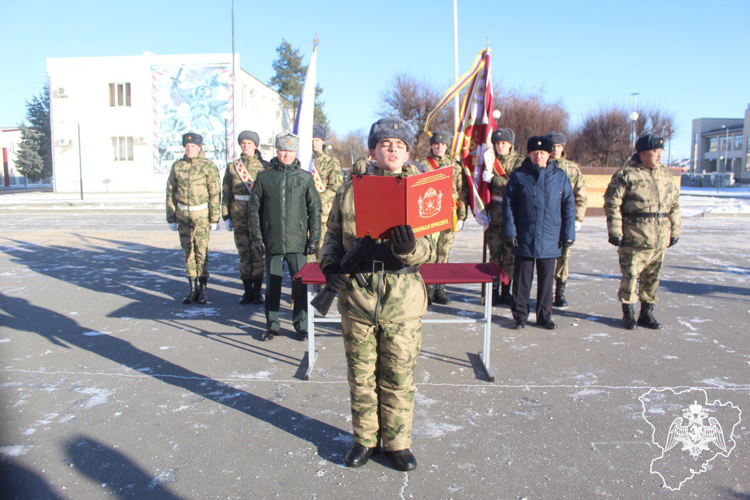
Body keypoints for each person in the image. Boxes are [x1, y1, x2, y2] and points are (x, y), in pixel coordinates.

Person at [319, 117, 433, 472]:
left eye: (399, 144)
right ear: (373, 151)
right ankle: (365, 440)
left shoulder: (420, 188)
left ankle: (398, 443)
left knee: (399, 378)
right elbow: (333, 237)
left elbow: (429, 249)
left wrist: (409, 248)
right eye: (385, 144)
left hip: (403, 301)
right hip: (357, 297)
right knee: (361, 376)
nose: (392, 149)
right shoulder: (349, 188)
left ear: (408, 152)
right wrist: (330, 266)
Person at [604, 133, 680, 330]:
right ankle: (628, 313)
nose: (659, 156)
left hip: (659, 237)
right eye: (655, 151)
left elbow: (674, 205)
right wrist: (615, 231)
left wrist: (675, 230)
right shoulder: (627, 174)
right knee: (630, 276)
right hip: (634, 236)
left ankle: (647, 313)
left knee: (652, 278)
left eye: (660, 151)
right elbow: (612, 203)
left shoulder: (665, 175)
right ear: (643, 153)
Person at [249, 132, 321, 341]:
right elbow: (254, 209)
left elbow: (314, 210)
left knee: (300, 286)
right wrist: (257, 236)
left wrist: (314, 238)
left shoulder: (304, 178)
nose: (286, 154)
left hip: (298, 242)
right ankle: (272, 325)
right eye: (283, 150)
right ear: (277, 151)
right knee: (272, 285)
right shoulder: (264, 177)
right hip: (272, 240)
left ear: (295, 152)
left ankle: (302, 326)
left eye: (290, 150)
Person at [503, 136, 575, 330]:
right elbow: (508, 205)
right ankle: (520, 316)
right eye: (535, 153)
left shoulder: (559, 176)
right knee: (522, 279)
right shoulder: (519, 176)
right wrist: (510, 232)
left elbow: (568, 205)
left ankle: (544, 316)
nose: (538, 157)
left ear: (549, 154)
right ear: (529, 154)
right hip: (525, 235)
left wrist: (568, 233)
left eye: (542, 153)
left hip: (551, 235)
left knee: (546, 280)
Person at [166, 132, 221, 304]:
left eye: (193, 147)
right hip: (183, 216)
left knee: (201, 252)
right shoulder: (177, 166)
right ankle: (192, 289)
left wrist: (214, 219)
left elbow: (214, 193)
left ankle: (203, 289)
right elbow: (170, 193)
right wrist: (171, 218)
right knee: (188, 252)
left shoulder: (208, 167)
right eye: (187, 147)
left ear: (199, 148)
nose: (189, 149)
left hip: (201, 217)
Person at [419, 131, 469, 304]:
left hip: (448, 213)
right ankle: (428, 288)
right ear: (431, 146)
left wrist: (462, 216)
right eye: (436, 144)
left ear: (447, 147)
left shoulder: (455, 165)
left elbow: (462, 190)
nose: (439, 147)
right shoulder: (423, 165)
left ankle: (441, 288)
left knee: (444, 252)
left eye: (442, 144)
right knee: (428, 253)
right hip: (429, 213)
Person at [222, 130, 269, 305]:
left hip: (258, 215)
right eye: (243, 143)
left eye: (249, 143)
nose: (245, 146)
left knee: (258, 254)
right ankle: (247, 291)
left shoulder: (264, 166)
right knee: (244, 254)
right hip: (239, 215)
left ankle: (257, 291)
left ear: (256, 145)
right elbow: (226, 193)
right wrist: (226, 215)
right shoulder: (233, 167)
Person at [483, 128, 525, 305]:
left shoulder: (519, 162)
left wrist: (494, 180)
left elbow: (515, 185)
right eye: (497, 143)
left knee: (509, 255)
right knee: (494, 253)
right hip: (492, 215)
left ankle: (506, 289)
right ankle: (493, 290)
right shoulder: (488, 161)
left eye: (503, 143)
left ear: (510, 145)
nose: (500, 146)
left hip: (511, 216)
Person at [546, 131, 588, 308]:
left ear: (563, 148)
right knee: (544, 258)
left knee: (564, 257)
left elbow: (582, 195)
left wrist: (578, 219)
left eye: (558, 147)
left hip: (565, 221)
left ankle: (559, 293)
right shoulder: (541, 164)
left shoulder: (571, 169)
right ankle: (545, 292)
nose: (555, 150)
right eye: (552, 147)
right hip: (547, 220)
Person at [311, 126, 343, 259]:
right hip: (303, 213)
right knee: (303, 254)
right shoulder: (300, 159)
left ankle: (322, 280)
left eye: (317, 140)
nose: (314, 143)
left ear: (323, 141)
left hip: (323, 214)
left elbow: (336, 187)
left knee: (322, 252)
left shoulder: (331, 162)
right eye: (311, 139)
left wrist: (316, 201)